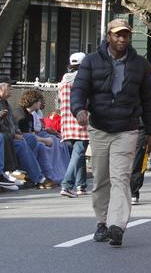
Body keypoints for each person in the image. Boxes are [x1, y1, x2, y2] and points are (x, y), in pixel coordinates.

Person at [70, 18, 151, 247]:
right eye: (117, 35)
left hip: (127, 129)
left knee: (121, 177)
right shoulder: (91, 61)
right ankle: (102, 222)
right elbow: (79, 89)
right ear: (108, 36)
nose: (122, 39)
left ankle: (117, 225)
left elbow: (148, 100)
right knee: (101, 179)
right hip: (99, 127)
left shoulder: (140, 64)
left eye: (126, 35)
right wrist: (79, 110)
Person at [0, 81, 52, 189]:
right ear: (0, 88)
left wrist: (17, 132)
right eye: (9, 87)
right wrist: (13, 135)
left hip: (10, 135)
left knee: (31, 138)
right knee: (21, 145)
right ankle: (38, 178)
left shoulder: (6, 102)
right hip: (1, 136)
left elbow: (13, 122)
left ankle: (24, 174)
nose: (11, 89)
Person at [17, 88, 70, 181]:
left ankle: (56, 172)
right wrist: (44, 140)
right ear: (33, 101)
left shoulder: (30, 114)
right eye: (38, 101)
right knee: (41, 146)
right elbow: (25, 133)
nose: (40, 103)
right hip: (20, 139)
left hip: (31, 138)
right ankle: (44, 176)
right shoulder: (21, 114)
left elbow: (32, 131)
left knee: (57, 141)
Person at [58, 52, 90, 197]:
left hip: (66, 121)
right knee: (78, 153)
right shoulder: (82, 80)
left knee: (79, 153)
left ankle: (81, 185)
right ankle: (66, 185)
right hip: (80, 119)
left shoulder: (63, 81)